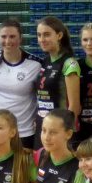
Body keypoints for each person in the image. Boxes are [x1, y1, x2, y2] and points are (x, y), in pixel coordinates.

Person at [0, 19, 41, 150]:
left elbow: (43, 96)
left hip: (23, 131)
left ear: (20, 38)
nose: (7, 41)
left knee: (22, 164)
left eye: (12, 36)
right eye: (3, 36)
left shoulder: (36, 64)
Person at [34, 16, 80, 149]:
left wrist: (66, 132)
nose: (42, 39)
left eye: (46, 34)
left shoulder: (69, 63)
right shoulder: (44, 62)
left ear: (59, 35)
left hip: (58, 131)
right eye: (39, 35)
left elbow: (74, 106)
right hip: (42, 127)